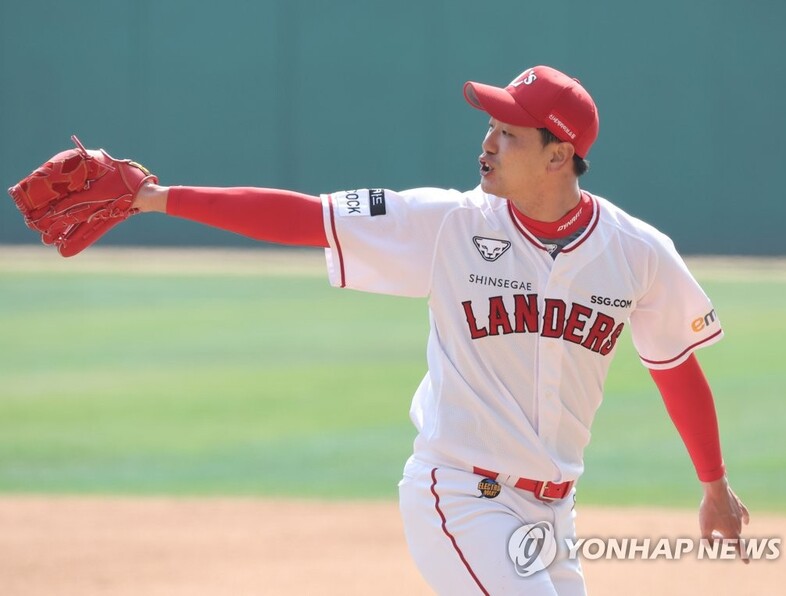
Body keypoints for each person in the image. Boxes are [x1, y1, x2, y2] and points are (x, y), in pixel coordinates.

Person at [131, 65, 749, 595]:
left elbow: (674, 365)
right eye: (490, 126)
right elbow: (307, 217)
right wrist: (155, 199)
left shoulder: (637, 252)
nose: (487, 142)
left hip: (555, 515)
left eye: (508, 133)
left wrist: (714, 486)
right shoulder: (449, 224)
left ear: (558, 154)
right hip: (460, 495)